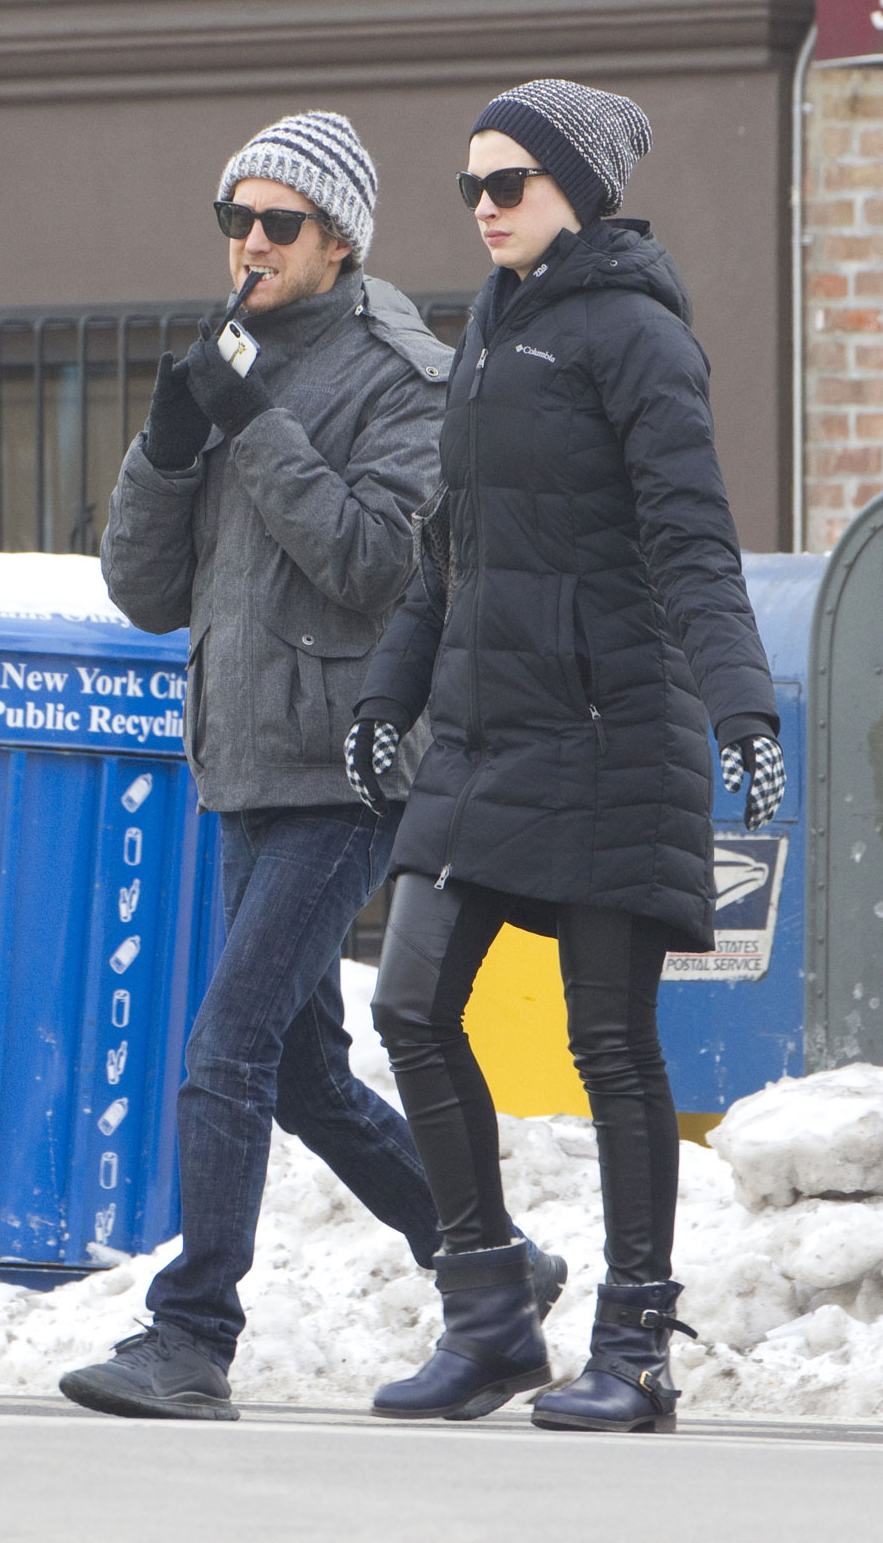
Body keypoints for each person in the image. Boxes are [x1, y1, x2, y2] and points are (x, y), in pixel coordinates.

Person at [59, 110, 563, 1422]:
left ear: (338, 239)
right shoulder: (232, 361)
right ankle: (492, 1266)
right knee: (293, 1071)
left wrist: (255, 421)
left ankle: (192, 1334)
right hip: (245, 768)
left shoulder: (401, 372)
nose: (249, 241)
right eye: (236, 218)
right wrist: (169, 449)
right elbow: (143, 593)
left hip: (348, 768)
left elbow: (378, 567)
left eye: (278, 222)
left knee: (224, 1041)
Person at [343, 79, 785, 1432]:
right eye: (470, 187)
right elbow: (446, 551)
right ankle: (487, 1317)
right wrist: (386, 695)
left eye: (508, 186)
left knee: (609, 1039)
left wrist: (744, 711)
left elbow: (694, 542)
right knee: (412, 1003)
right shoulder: (486, 323)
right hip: (483, 731)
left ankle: (638, 1348)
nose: (482, 210)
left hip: (609, 732)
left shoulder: (638, 337)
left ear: (577, 193)